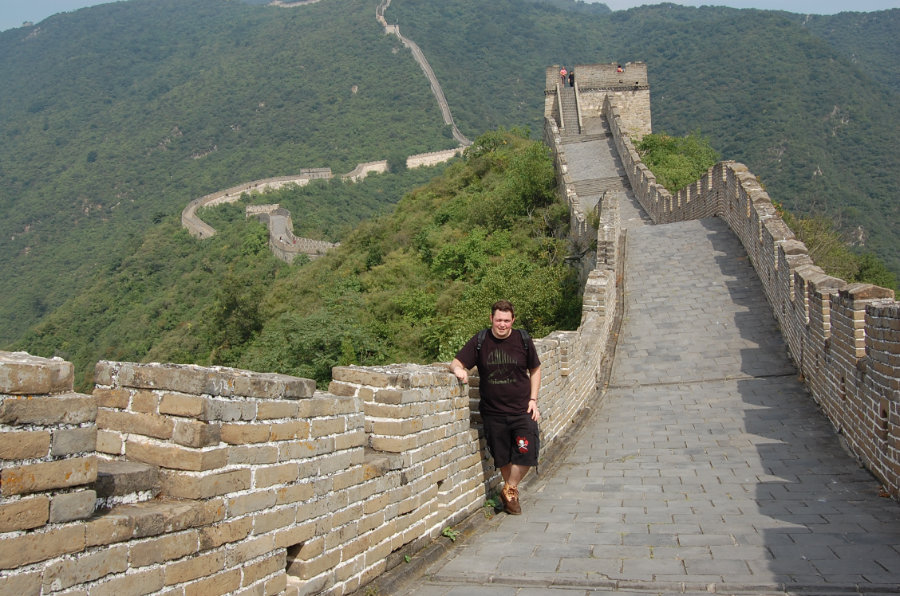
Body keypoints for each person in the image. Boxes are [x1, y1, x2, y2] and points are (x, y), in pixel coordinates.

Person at [449, 300, 541, 515]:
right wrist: (458, 370)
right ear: (491, 319)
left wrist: (533, 399)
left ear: (513, 321)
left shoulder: (522, 339)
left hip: (522, 410)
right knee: (502, 458)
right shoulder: (481, 340)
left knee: (527, 452)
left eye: (507, 321)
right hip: (493, 413)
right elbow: (456, 362)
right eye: (498, 320)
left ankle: (510, 488)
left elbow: (535, 369)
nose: (502, 325)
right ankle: (510, 495)